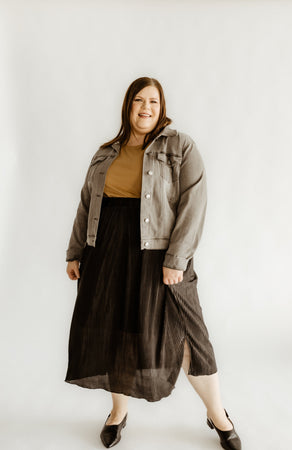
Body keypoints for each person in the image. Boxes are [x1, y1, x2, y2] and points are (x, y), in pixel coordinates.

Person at [65, 76, 242, 450]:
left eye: (154, 102)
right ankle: (118, 413)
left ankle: (218, 415)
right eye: (139, 101)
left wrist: (176, 258)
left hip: (159, 254)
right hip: (106, 250)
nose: (146, 108)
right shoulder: (105, 152)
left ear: (162, 109)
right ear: (127, 105)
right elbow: (86, 203)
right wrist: (76, 251)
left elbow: (194, 206)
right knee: (116, 332)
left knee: (191, 338)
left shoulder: (180, 146)